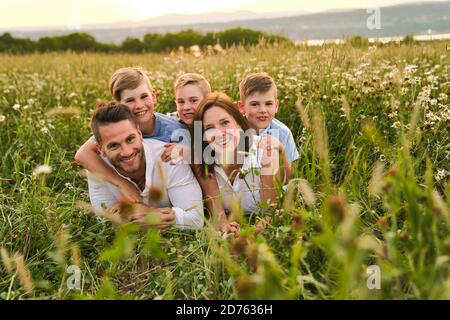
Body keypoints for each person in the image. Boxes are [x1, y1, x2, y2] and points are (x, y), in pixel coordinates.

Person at [75, 67, 188, 203]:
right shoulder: (117, 132)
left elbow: (200, 162)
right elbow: (82, 154)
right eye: (130, 100)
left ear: (153, 96)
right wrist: (122, 184)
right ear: (119, 106)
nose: (139, 105)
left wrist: (186, 151)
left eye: (144, 97)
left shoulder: (174, 129)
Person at [87, 101, 204, 230]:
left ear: (139, 134)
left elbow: (196, 219)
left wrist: (137, 214)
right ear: (100, 149)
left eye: (130, 139)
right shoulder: (98, 169)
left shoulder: (168, 157)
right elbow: (105, 223)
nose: (127, 152)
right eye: (114, 145)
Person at [191, 92, 291, 218]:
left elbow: (269, 216)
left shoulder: (266, 151)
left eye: (225, 123)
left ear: (238, 122)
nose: (219, 133)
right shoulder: (202, 160)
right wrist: (226, 228)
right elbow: (218, 218)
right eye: (209, 128)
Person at [237, 72, 300, 164]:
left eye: (268, 104)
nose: (263, 110)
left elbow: (291, 173)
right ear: (242, 107)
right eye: (255, 104)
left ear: (276, 106)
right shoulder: (235, 131)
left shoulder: (283, 133)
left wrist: (281, 150)